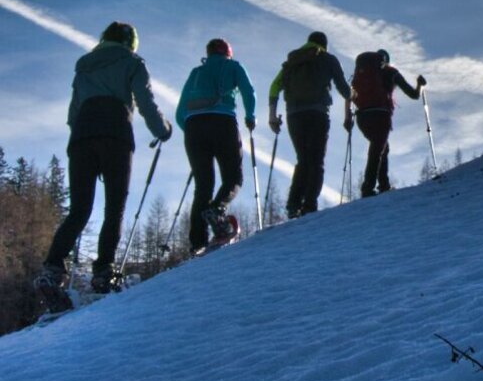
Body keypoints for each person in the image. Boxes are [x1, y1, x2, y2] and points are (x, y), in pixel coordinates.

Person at [36, 21, 172, 298]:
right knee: (114, 207)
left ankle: (52, 269)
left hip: (83, 135)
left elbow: (73, 112)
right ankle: (103, 272)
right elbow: (145, 101)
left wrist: (80, 138)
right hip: (115, 133)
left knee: (79, 208)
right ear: (130, 42)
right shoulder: (133, 62)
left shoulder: (84, 65)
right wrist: (163, 130)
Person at [176, 38, 256, 254]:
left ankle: (197, 243)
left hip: (193, 127)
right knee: (233, 177)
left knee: (203, 186)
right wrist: (250, 116)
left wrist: (192, 131)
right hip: (223, 123)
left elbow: (179, 111)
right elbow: (248, 91)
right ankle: (218, 207)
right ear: (228, 52)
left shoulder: (196, 73)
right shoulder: (233, 66)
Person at [268, 31, 351, 218]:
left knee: (303, 159)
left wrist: (272, 116)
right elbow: (343, 88)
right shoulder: (328, 59)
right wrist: (353, 96)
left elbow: (274, 86)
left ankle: (293, 204)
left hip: (294, 114)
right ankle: (309, 205)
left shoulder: (293, 61)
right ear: (324, 45)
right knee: (317, 160)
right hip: (317, 113)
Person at [345, 49, 426, 198]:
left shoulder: (361, 73)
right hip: (381, 115)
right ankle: (368, 188)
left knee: (382, 147)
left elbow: (349, 94)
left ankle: (383, 185)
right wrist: (420, 85)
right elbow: (414, 95)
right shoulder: (391, 72)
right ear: (386, 61)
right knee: (377, 149)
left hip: (362, 117)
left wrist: (347, 117)